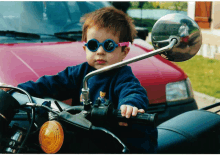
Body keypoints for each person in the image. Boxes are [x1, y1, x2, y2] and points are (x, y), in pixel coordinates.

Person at [1, 7, 157, 153]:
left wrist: (130, 105)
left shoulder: (122, 76)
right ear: (85, 48)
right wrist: (16, 90)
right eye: (93, 45)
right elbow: (51, 84)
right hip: (86, 134)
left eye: (109, 45)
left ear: (124, 51)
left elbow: (133, 91)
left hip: (115, 142)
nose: (100, 51)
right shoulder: (81, 72)